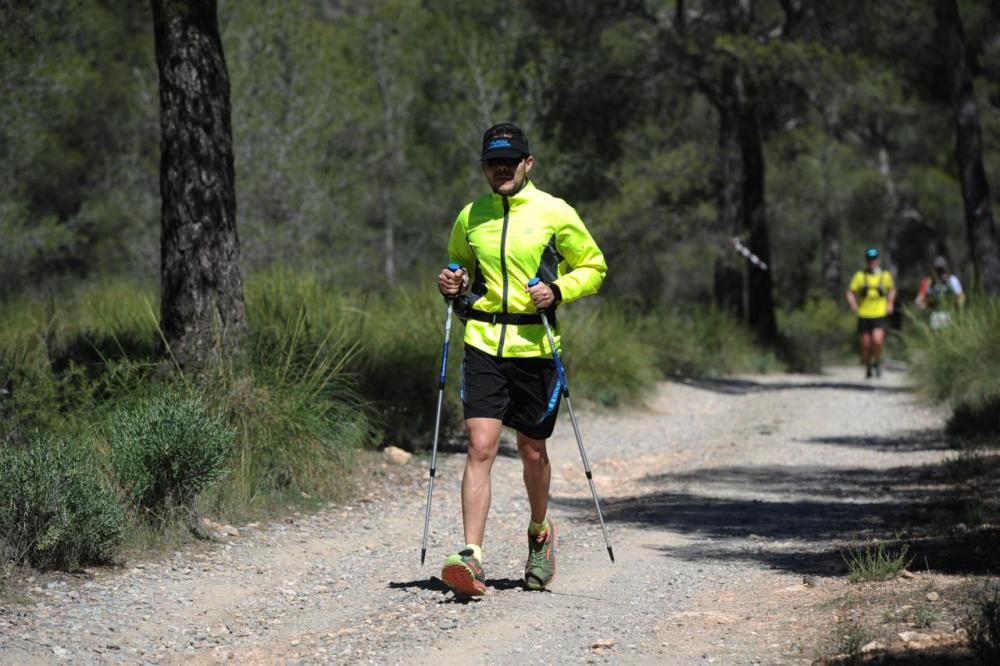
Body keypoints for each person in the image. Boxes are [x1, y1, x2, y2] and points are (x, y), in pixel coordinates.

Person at [436, 122, 607, 596]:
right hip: (484, 343)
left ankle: (539, 534)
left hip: (536, 347)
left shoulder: (554, 212)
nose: (503, 169)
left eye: (511, 161)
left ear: (528, 163)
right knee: (480, 446)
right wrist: (451, 282)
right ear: (484, 168)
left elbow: (594, 266)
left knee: (532, 449)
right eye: (494, 162)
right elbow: (459, 268)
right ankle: (471, 558)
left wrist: (558, 289)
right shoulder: (471, 216)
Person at [846, 247, 896, 379]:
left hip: (879, 313)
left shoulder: (885, 276)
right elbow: (850, 291)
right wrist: (853, 304)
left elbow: (892, 289)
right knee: (866, 345)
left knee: (877, 340)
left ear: (878, 260)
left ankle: (878, 361)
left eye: (874, 259)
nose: (871, 262)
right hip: (864, 314)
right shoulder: (860, 276)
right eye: (869, 259)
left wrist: (890, 303)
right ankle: (868, 365)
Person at [915, 255, 965, 329]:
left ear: (946, 269)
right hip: (933, 315)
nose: (940, 273)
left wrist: (959, 310)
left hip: (950, 314)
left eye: (942, 270)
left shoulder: (952, 280)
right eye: (937, 270)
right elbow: (918, 301)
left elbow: (961, 296)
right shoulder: (927, 282)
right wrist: (924, 305)